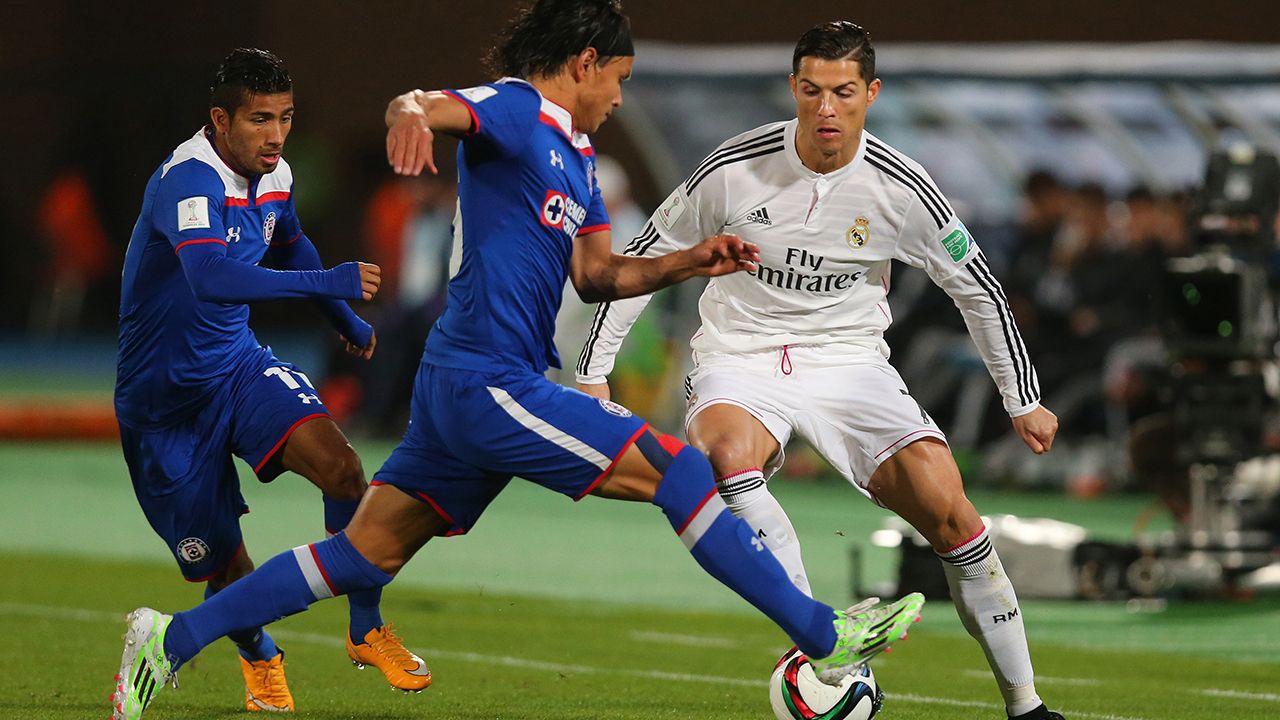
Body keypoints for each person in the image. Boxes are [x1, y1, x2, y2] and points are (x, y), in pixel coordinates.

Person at [108, 5, 924, 719]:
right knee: (679, 471)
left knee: (361, 555)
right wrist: (408, 109)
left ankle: (170, 640)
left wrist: (692, 260)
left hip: (470, 385)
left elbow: (600, 274)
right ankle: (823, 631)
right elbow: (438, 105)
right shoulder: (518, 110)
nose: (619, 96)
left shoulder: (580, 164)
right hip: (490, 380)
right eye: (619, 79)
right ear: (584, 64)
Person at [576, 21, 1064, 720]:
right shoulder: (733, 168)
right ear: (793, 90)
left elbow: (977, 288)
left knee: (955, 517)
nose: (826, 108)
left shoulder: (903, 188)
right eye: (812, 91)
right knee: (725, 458)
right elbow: (639, 263)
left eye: (842, 92)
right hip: (740, 358)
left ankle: (1027, 705)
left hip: (849, 365)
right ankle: (822, 639)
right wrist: (594, 376)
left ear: (871, 93)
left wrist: (1022, 399)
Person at [112, 48, 427, 715]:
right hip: (163, 405)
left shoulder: (276, 174)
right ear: (220, 120)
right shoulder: (188, 180)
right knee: (224, 566)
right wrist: (329, 282)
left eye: (285, 117)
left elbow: (289, 242)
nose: (276, 134)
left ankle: (365, 628)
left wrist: (342, 316)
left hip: (237, 366)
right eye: (259, 119)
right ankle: (260, 661)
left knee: (344, 470)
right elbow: (213, 277)